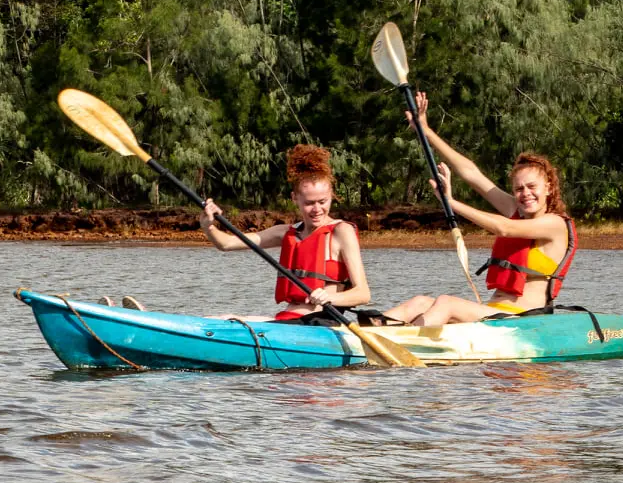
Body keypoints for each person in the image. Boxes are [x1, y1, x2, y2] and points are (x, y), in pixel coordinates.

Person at [384, 92, 577, 326]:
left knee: (446, 302)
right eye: (519, 189)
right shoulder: (515, 209)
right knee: (420, 302)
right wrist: (426, 131)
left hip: (522, 321)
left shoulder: (554, 224)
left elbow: (505, 228)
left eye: (531, 187)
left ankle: (405, 344)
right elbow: (471, 174)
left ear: (548, 187)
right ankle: (365, 334)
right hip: (492, 313)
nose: (525, 193)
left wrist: (451, 202)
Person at [198, 144, 371, 322]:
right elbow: (226, 244)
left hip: (320, 323)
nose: (317, 209)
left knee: (232, 320)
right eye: (309, 203)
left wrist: (331, 298)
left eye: (323, 201)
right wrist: (208, 226)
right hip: (287, 320)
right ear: (294, 198)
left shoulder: (341, 231)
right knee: (221, 319)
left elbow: (363, 294)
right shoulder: (285, 233)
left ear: (332, 195)